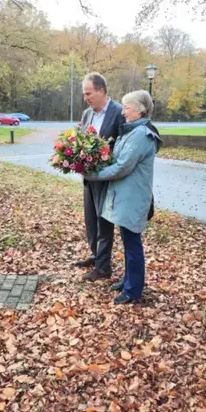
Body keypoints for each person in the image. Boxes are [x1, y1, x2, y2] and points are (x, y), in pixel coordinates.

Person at [83, 90, 162, 304]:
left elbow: (121, 167)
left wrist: (93, 174)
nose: (124, 112)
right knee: (128, 242)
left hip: (133, 198)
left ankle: (133, 290)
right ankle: (128, 280)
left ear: (139, 110)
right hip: (125, 197)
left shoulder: (141, 135)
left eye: (127, 108)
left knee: (133, 243)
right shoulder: (131, 131)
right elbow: (114, 158)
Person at [75, 72, 126, 282]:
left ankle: (103, 267)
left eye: (89, 93)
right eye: (84, 94)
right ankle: (96, 256)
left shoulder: (118, 113)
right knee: (90, 219)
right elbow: (82, 139)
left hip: (106, 178)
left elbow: (123, 146)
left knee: (103, 220)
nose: (86, 97)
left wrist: (106, 161)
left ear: (101, 91)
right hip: (89, 178)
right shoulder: (88, 114)